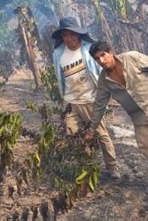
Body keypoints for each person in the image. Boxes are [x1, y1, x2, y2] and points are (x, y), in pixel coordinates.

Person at [86, 41, 148, 198]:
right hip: (138, 116)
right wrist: (92, 129)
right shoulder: (104, 81)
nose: (101, 61)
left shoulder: (132, 58)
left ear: (110, 52)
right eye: (97, 59)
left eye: (103, 55)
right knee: (147, 147)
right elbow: (99, 105)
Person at [51, 17, 120, 179]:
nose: (70, 38)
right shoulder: (58, 54)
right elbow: (60, 77)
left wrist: (109, 93)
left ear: (78, 34)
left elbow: (103, 70)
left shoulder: (89, 50)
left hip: (90, 99)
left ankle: (112, 167)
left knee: (101, 134)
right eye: (66, 35)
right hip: (71, 101)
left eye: (73, 34)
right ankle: (86, 166)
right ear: (62, 37)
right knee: (72, 134)